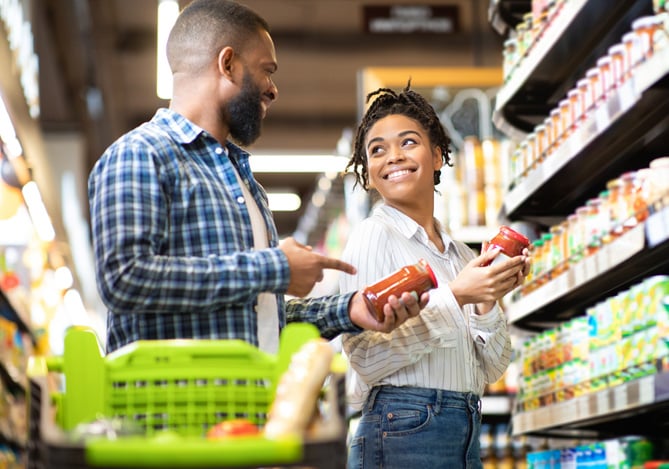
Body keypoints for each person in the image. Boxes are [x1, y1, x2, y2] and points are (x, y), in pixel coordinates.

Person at [87, 0, 428, 354]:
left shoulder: (244, 183)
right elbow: (124, 279)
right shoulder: (141, 154)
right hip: (171, 405)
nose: (273, 89)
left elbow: (262, 316)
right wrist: (275, 266)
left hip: (250, 402)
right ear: (228, 64)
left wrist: (349, 309)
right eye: (267, 70)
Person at [339, 83, 530, 468]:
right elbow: (366, 358)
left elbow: (492, 368)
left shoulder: (460, 255)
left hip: (464, 426)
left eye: (408, 143)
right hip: (403, 427)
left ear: (438, 156)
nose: (393, 157)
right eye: (377, 149)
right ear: (368, 171)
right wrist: (456, 296)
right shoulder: (374, 236)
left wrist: (487, 297)